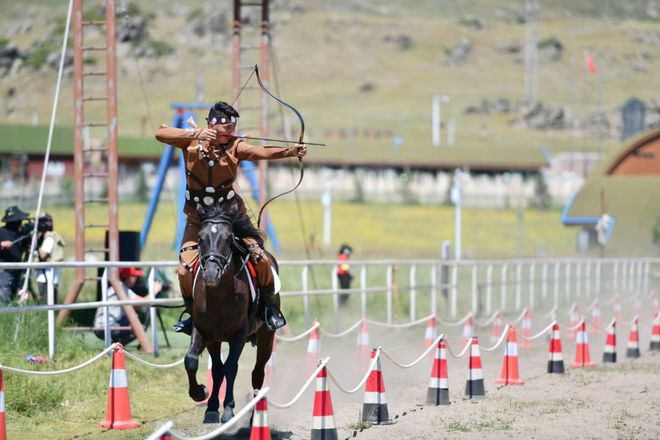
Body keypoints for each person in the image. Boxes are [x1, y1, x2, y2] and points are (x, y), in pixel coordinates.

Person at [155, 101, 307, 334]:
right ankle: (191, 315)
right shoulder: (192, 141)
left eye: (233, 126)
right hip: (198, 220)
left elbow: (261, 152)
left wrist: (290, 150)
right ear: (211, 125)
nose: (231, 131)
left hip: (232, 218)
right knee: (184, 270)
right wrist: (196, 133)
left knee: (262, 258)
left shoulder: (236, 147)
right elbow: (160, 133)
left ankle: (269, 309)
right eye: (226, 126)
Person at [94, 267, 160, 345]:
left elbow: (137, 306)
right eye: (133, 276)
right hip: (108, 327)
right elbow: (142, 302)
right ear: (126, 277)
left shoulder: (115, 288)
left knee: (132, 318)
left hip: (99, 326)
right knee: (138, 327)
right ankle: (118, 347)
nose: (136, 278)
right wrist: (155, 290)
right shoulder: (121, 288)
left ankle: (116, 347)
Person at [0, 205, 30, 303]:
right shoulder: (1, 232)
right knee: (4, 297)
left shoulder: (21, 234)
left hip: (17, 270)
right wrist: (1, 244)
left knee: (13, 297)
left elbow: (27, 249)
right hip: (4, 271)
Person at [34, 213, 65, 304]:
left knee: (47, 304)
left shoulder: (49, 237)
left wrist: (34, 246)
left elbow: (43, 255)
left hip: (47, 276)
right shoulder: (46, 236)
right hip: (48, 276)